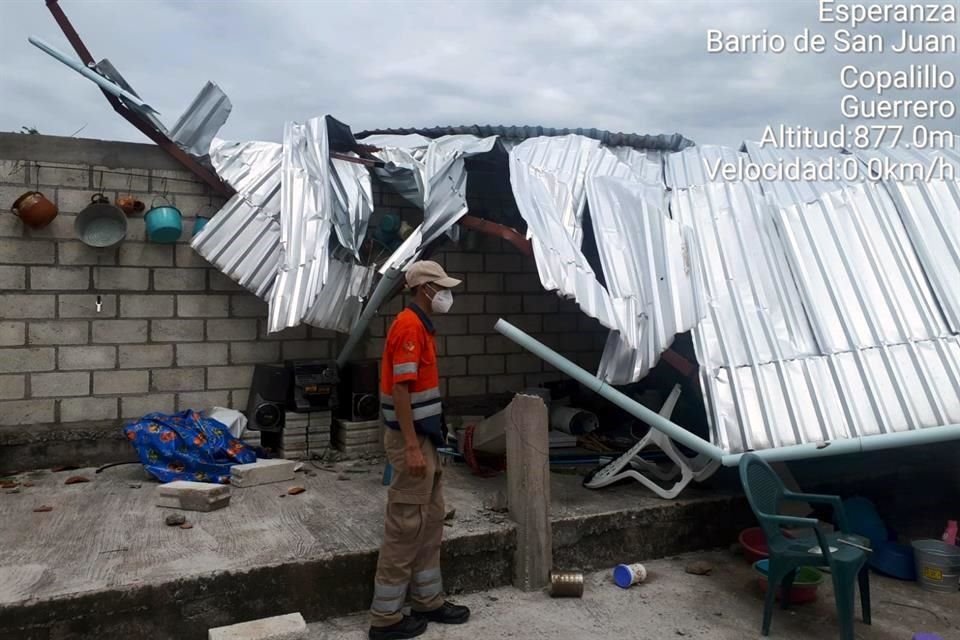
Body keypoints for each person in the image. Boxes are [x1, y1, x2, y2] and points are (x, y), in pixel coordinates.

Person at [369, 260, 471, 640]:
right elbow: (400, 390)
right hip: (410, 440)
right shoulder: (409, 327)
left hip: (426, 438)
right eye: (441, 288)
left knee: (430, 520)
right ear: (424, 289)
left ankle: (428, 601)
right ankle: (386, 618)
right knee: (405, 525)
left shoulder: (421, 328)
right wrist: (411, 447)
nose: (446, 294)